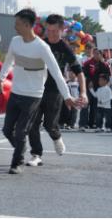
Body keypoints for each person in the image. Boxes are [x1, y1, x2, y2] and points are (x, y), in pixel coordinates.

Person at [0, 9, 75, 175]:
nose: (15, 27)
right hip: (16, 92)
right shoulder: (15, 42)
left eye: (17, 23)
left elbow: (57, 73)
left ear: (26, 25)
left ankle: (17, 162)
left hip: (33, 95)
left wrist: (67, 96)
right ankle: (21, 147)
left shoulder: (42, 47)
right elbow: (8, 61)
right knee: (7, 130)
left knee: (22, 130)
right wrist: (1, 79)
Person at [27, 14, 87, 168]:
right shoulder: (40, 44)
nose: (51, 34)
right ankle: (36, 154)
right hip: (37, 89)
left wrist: (83, 93)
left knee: (49, 124)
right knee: (32, 123)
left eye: (55, 31)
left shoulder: (65, 48)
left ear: (61, 30)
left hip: (55, 90)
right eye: (48, 30)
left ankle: (57, 136)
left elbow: (79, 72)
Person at [81, 48, 111, 130]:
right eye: (95, 53)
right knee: (85, 105)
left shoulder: (104, 64)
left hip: (99, 88)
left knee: (95, 106)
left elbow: (108, 76)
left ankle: (93, 123)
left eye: (98, 53)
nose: (96, 55)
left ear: (101, 55)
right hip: (88, 87)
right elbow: (83, 74)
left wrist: (105, 85)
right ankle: (83, 124)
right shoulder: (87, 63)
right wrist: (89, 81)